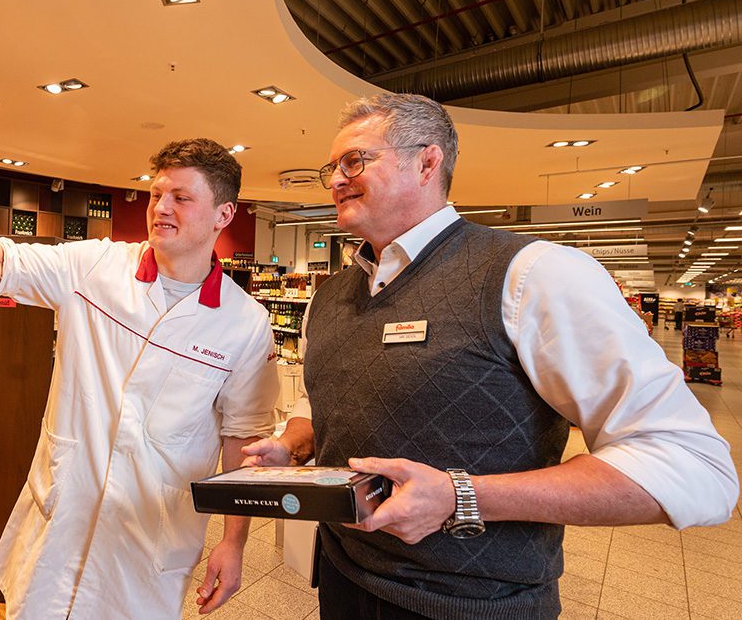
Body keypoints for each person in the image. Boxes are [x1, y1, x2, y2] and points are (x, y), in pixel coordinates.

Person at [243, 93, 739, 619]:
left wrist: (462, 497)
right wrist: (294, 443)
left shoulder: (533, 275)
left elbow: (693, 466)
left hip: (473, 604)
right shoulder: (329, 297)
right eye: (332, 167)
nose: (337, 179)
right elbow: (338, 400)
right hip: (343, 579)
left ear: (428, 161)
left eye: (355, 161)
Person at [0, 138, 279, 618]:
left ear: (224, 216)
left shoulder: (244, 322)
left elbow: (243, 440)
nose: (161, 208)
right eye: (156, 194)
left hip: (149, 543)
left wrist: (233, 543)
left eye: (181, 198)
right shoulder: (96, 267)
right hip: (61, 521)